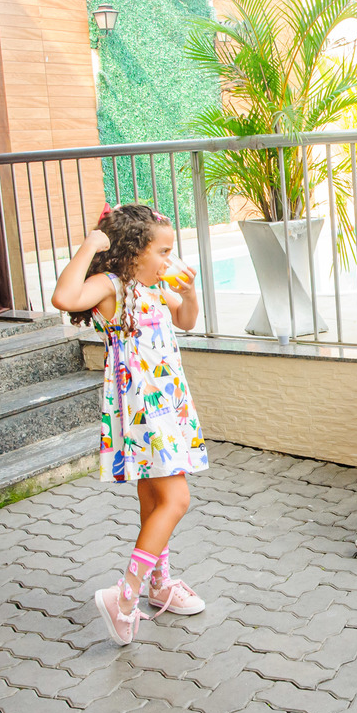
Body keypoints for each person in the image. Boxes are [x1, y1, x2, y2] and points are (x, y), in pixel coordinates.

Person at [50, 204, 208, 646]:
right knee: (176, 501)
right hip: (143, 410)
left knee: (154, 500)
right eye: (162, 251)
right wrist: (91, 244)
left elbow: (187, 320)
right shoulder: (113, 287)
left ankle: (159, 584)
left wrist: (190, 292)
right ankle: (124, 597)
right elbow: (64, 299)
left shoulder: (154, 287)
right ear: (132, 252)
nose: (168, 261)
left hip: (168, 406)